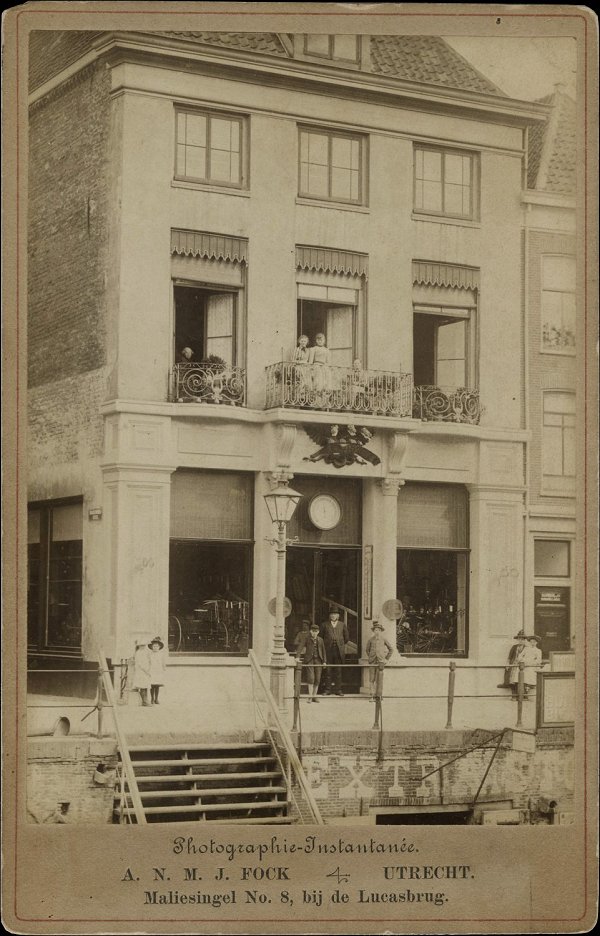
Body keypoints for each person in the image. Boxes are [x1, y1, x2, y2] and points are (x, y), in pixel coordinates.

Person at [295, 622, 327, 702]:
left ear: (318, 632)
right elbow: (300, 647)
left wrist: (324, 661)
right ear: (310, 631)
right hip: (309, 660)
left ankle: (314, 696)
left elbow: (323, 651)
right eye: (313, 631)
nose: (314, 633)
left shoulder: (321, 640)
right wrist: (297, 657)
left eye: (316, 631)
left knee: (317, 679)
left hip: (318, 660)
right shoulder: (306, 639)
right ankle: (310, 696)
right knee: (311, 678)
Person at [321, 609, 349, 696]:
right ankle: (327, 690)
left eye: (335, 614)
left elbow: (346, 638)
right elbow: (321, 638)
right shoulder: (324, 625)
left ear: (338, 616)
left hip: (338, 652)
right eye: (332, 614)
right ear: (330, 616)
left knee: (338, 671)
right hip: (328, 651)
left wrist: (340, 644)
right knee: (328, 671)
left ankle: (338, 690)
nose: (333, 616)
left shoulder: (342, 625)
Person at [365, 621, 394, 700]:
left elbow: (391, 649)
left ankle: (379, 695)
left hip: (381, 662)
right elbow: (367, 650)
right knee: (372, 678)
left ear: (381, 631)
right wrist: (371, 657)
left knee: (379, 679)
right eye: (375, 630)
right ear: (374, 631)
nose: (377, 631)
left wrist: (386, 659)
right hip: (372, 661)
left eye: (378, 630)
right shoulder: (371, 640)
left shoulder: (384, 639)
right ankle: (372, 695)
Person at [308, 332, 332, 403]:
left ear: (324, 341)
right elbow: (310, 361)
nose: (320, 341)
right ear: (316, 341)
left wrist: (327, 367)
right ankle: (316, 401)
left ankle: (324, 401)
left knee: (326, 384)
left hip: (324, 367)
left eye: (321, 340)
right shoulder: (313, 349)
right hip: (316, 366)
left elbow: (328, 361)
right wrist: (310, 368)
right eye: (318, 340)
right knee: (318, 383)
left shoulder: (327, 350)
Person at [506, 630, 528, 697]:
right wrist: (507, 664)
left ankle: (523, 696)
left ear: (524, 640)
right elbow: (509, 657)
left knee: (522, 679)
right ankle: (514, 695)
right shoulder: (514, 647)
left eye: (522, 639)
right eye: (519, 639)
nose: (520, 641)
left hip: (523, 666)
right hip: (514, 665)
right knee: (512, 680)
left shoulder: (526, 648)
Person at [132, 640, 152, 706]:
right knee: (142, 686)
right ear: (139, 646)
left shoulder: (145, 652)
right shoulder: (138, 653)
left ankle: (145, 700)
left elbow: (148, 661)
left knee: (145, 686)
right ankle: (144, 701)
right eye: (141, 645)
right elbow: (140, 664)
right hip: (141, 672)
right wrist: (146, 671)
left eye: (144, 645)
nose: (143, 647)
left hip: (145, 671)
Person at [148, 636, 166, 704]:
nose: (155, 647)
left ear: (159, 647)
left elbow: (163, 662)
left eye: (157, 646)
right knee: (152, 685)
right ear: (152, 647)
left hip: (158, 670)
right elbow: (148, 662)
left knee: (157, 685)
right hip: (152, 670)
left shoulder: (161, 654)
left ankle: (156, 699)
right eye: (154, 646)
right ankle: (152, 698)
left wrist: (164, 667)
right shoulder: (150, 654)